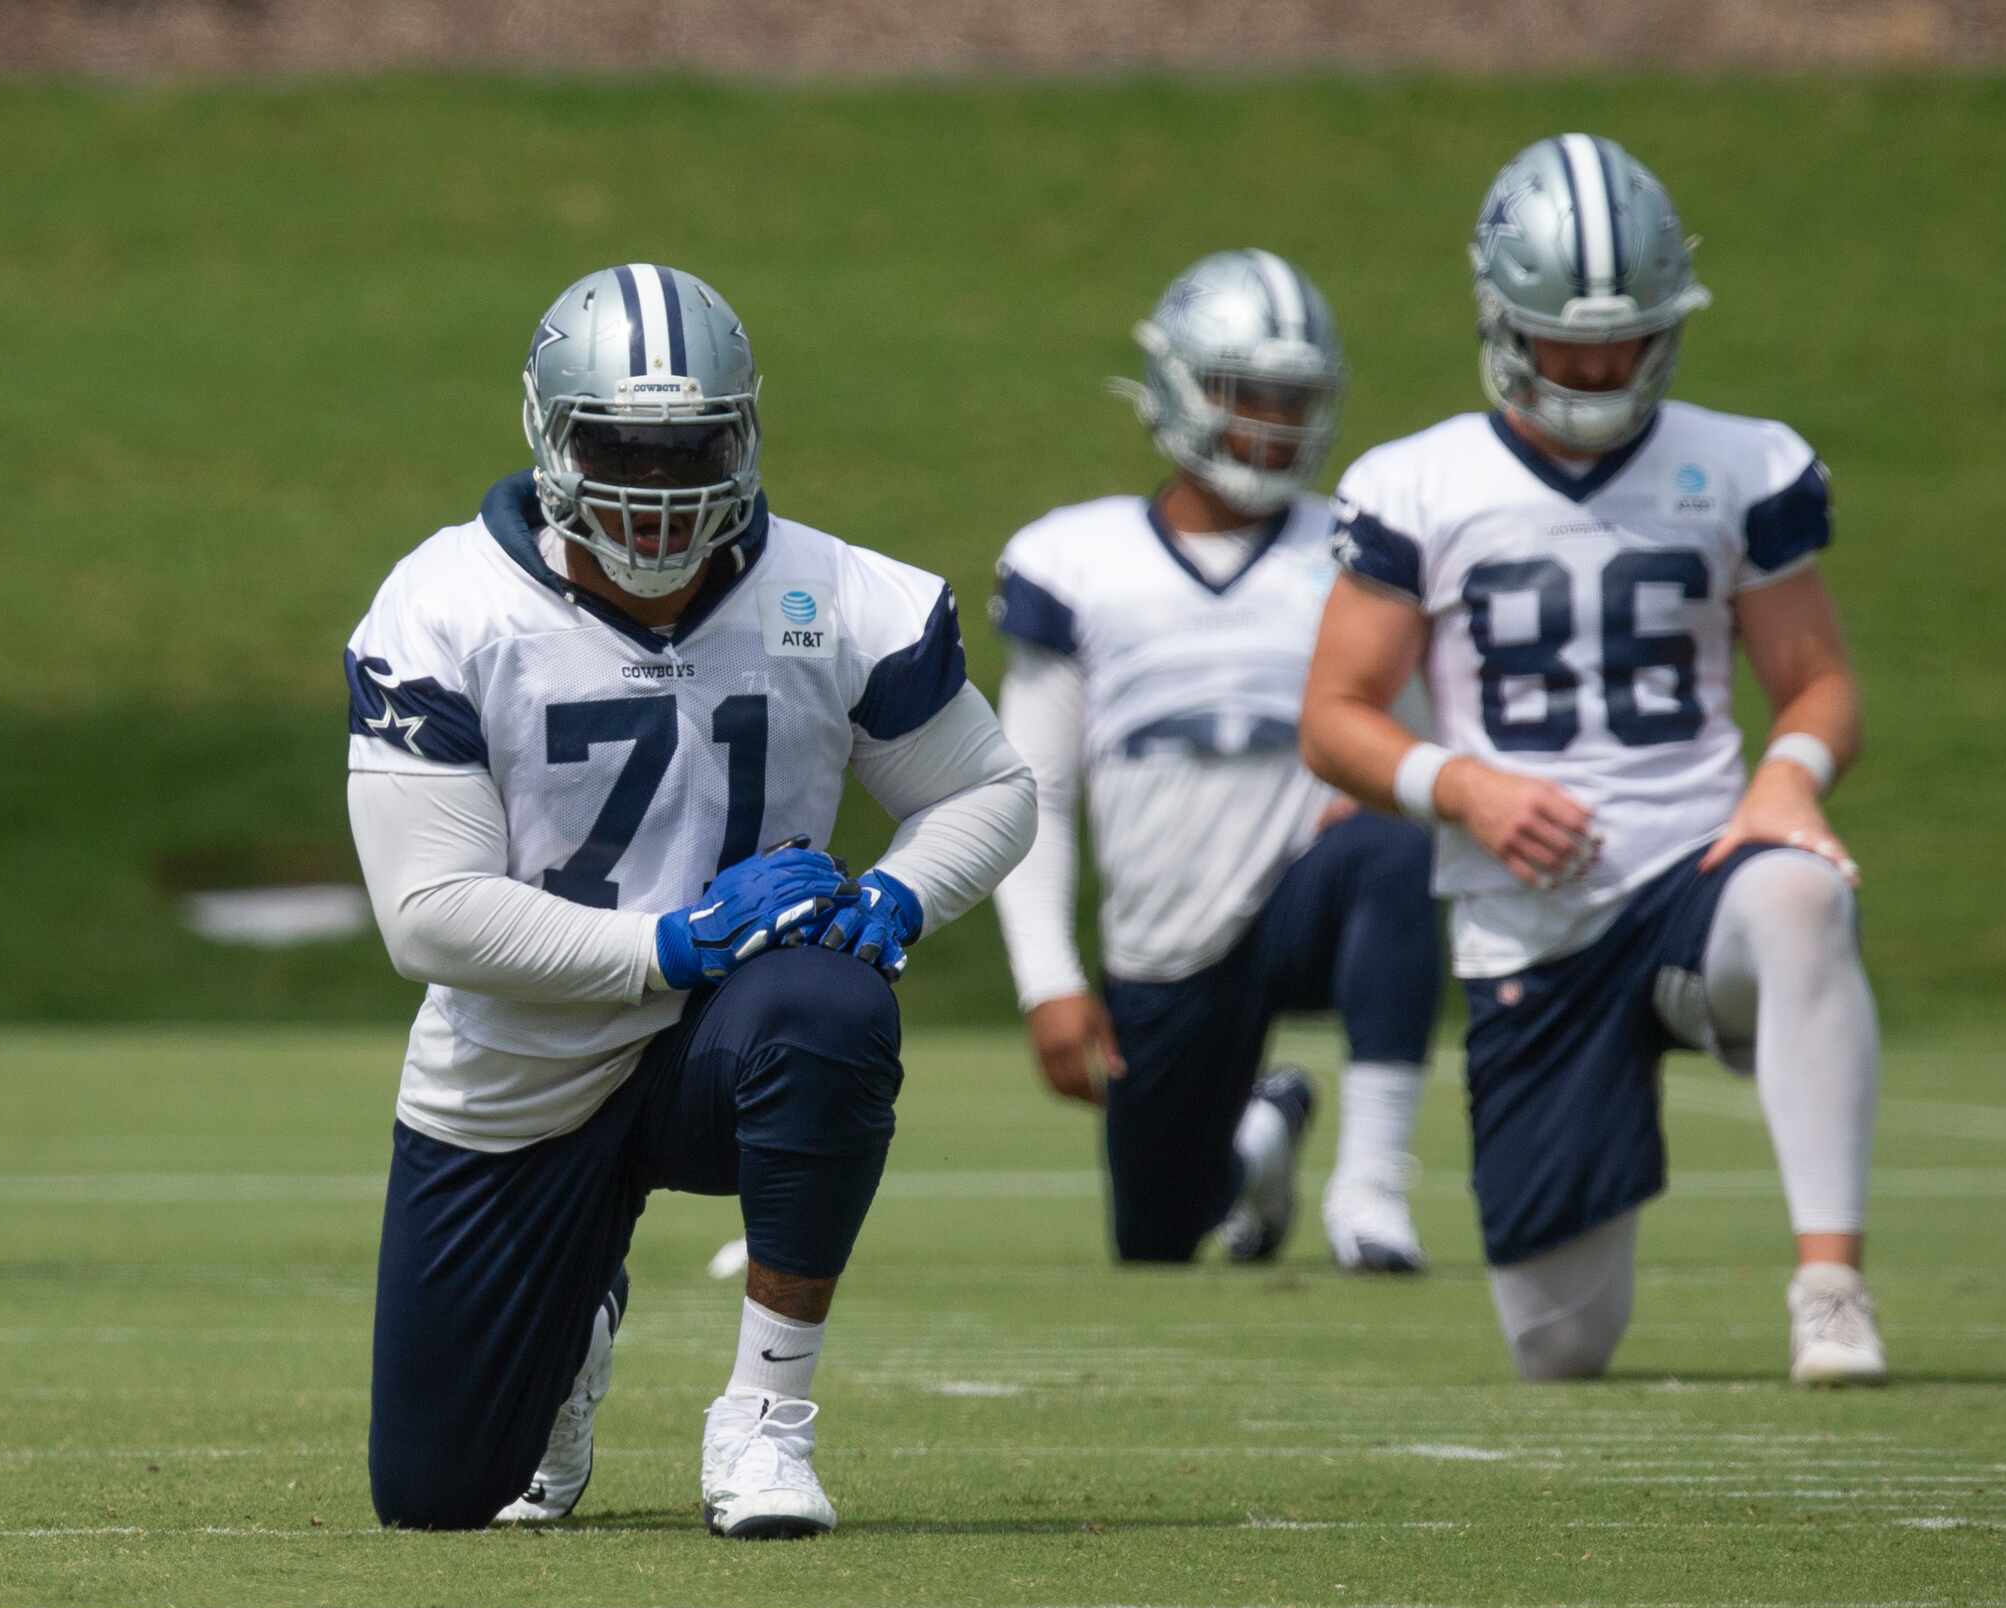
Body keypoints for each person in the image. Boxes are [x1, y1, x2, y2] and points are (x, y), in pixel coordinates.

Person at [345, 263, 1035, 1534]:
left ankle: (765, 1424)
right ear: (552, 436)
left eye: (691, 448)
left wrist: (896, 897)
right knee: (438, 1495)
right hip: (524, 1064)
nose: (657, 489)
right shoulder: (446, 606)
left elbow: (988, 792)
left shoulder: (839, 596)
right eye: (621, 448)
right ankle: (576, 1308)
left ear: (746, 433)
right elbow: (426, 913)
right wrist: (674, 941)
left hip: (736, 1044)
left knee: (829, 1008)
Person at [1299, 138, 1887, 1384]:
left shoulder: (1742, 463)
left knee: (1801, 892)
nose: (1598, 366)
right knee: (1561, 1343)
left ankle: (1830, 1285)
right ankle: (1661, 1013)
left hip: (1697, 865)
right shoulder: (1419, 481)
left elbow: (1819, 681)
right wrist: (1464, 786)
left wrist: (1787, 777)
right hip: (1534, 921)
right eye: (1567, 339)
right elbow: (1337, 717)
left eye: (1625, 339)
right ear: (1503, 320)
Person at [991, 250, 1441, 1274]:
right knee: (1158, 1238)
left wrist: (1371, 793)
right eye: (1248, 396)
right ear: (1181, 388)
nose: (1275, 425)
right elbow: (1036, 790)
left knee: (1390, 855)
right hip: (1165, 940)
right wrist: (1049, 982)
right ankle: (1258, 1144)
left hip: (1305, 892)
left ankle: (1371, 1193)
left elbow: (1410, 744)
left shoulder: (1353, 547)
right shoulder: (1076, 558)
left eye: (1295, 399)